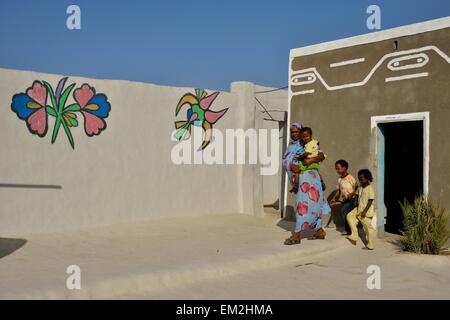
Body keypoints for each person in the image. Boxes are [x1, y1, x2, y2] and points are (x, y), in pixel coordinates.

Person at [284, 126, 330, 245]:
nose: (294, 134)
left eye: (296, 132)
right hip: (301, 178)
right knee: (306, 204)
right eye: (292, 132)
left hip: (311, 177)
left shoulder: (311, 144)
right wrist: (292, 167)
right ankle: (319, 231)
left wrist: (310, 160)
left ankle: (298, 234)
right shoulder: (292, 146)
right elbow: (288, 161)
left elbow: (321, 155)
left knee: (308, 205)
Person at [346, 169, 376, 250]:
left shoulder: (370, 188)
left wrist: (365, 211)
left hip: (366, 211)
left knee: (368, 228)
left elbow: (370, 200)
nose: (360, 181)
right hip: (358, 208)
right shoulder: (360, 187)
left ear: (367, 178)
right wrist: (355, 201)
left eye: (362, 179)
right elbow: (356, 194)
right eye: (359, 179)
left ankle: (370, 244)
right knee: (349, 216)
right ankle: (354, 234)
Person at [327, 160, 357, 235]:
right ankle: (348, 231)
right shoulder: (340, 179)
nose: (337, 170)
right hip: (345, 199)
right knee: (344, 213)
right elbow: (339, 191)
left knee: (345, 212)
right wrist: (334, 198)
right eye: (336, 168)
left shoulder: (350, 178)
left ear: (345, 168)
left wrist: (352, 193)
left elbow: (356, 188)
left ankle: (351, 231)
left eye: (338, 168)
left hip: (352, 199)